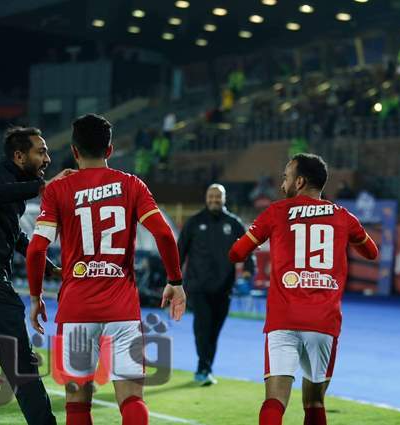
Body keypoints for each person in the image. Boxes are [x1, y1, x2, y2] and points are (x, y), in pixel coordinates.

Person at [26, 114, 186, 425]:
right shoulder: (132, 185)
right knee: (132, 400)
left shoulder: (59, 190)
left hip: (76, 311)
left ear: (74, 151)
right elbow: (165, 235)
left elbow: (35, 250)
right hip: (122, 311)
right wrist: (175, 281)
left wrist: (35, 297)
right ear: (110, 150)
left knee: (77, 406)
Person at [229, 153, 379, 425]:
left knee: (274, 401)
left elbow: (237, 253)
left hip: (283, 319)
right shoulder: (343, 216)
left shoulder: (276, 212)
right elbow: (371, 252)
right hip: (323, 322)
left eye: (286, 177)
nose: (282, 183)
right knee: (314, 402)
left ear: (299, 182)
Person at [0, 126, 71, 425]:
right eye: (41, 152)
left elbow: (17, 237)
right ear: (19, 156)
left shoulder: (13, 189)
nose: (47, 158)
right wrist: (45, 186)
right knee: (22, 369)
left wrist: (50, 267)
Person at [178, 183, 255, 386]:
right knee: (202, 328)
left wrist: (248, 273)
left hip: (224, 287)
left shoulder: (234, 223)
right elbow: (179, 251)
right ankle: (203, 368)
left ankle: (205, 368)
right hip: (198, 287)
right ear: (206, 198)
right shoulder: (194, 222)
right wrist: (173, 280)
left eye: (217, 197)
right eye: (211, 196)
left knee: (214, 331)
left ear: (224, 198)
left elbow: (248, 249)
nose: (214, 200)